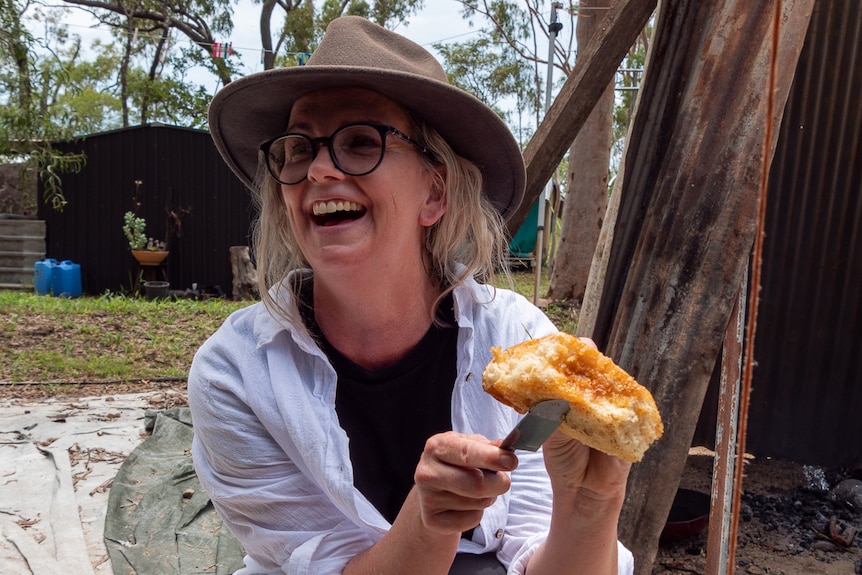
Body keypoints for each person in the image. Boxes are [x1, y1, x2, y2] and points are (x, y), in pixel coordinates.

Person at [189, 15, 634, 575]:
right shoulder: (237, 374)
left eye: (360, 142)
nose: (320, 170)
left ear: (435, 192)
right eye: (298, 149)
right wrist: (427, 521)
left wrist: (589, 505)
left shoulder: (517, 341)